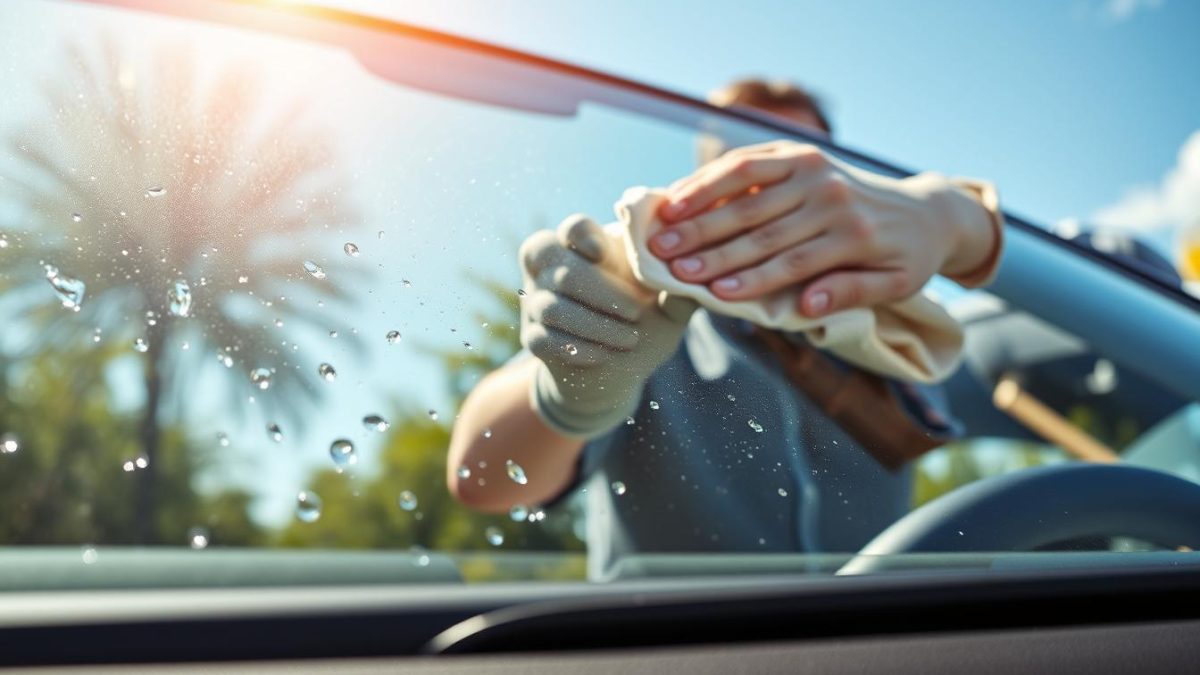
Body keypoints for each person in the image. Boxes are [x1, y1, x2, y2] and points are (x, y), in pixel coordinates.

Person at [447, 78, 1003, 578]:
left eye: (792, 164)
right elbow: (484, 478)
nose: (767, 188)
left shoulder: (910, 336)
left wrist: (960, 223)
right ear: (698, 178)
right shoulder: (638, 307)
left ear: (838, 181)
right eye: (739, 158)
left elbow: (1045, 363)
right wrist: (571, 398)